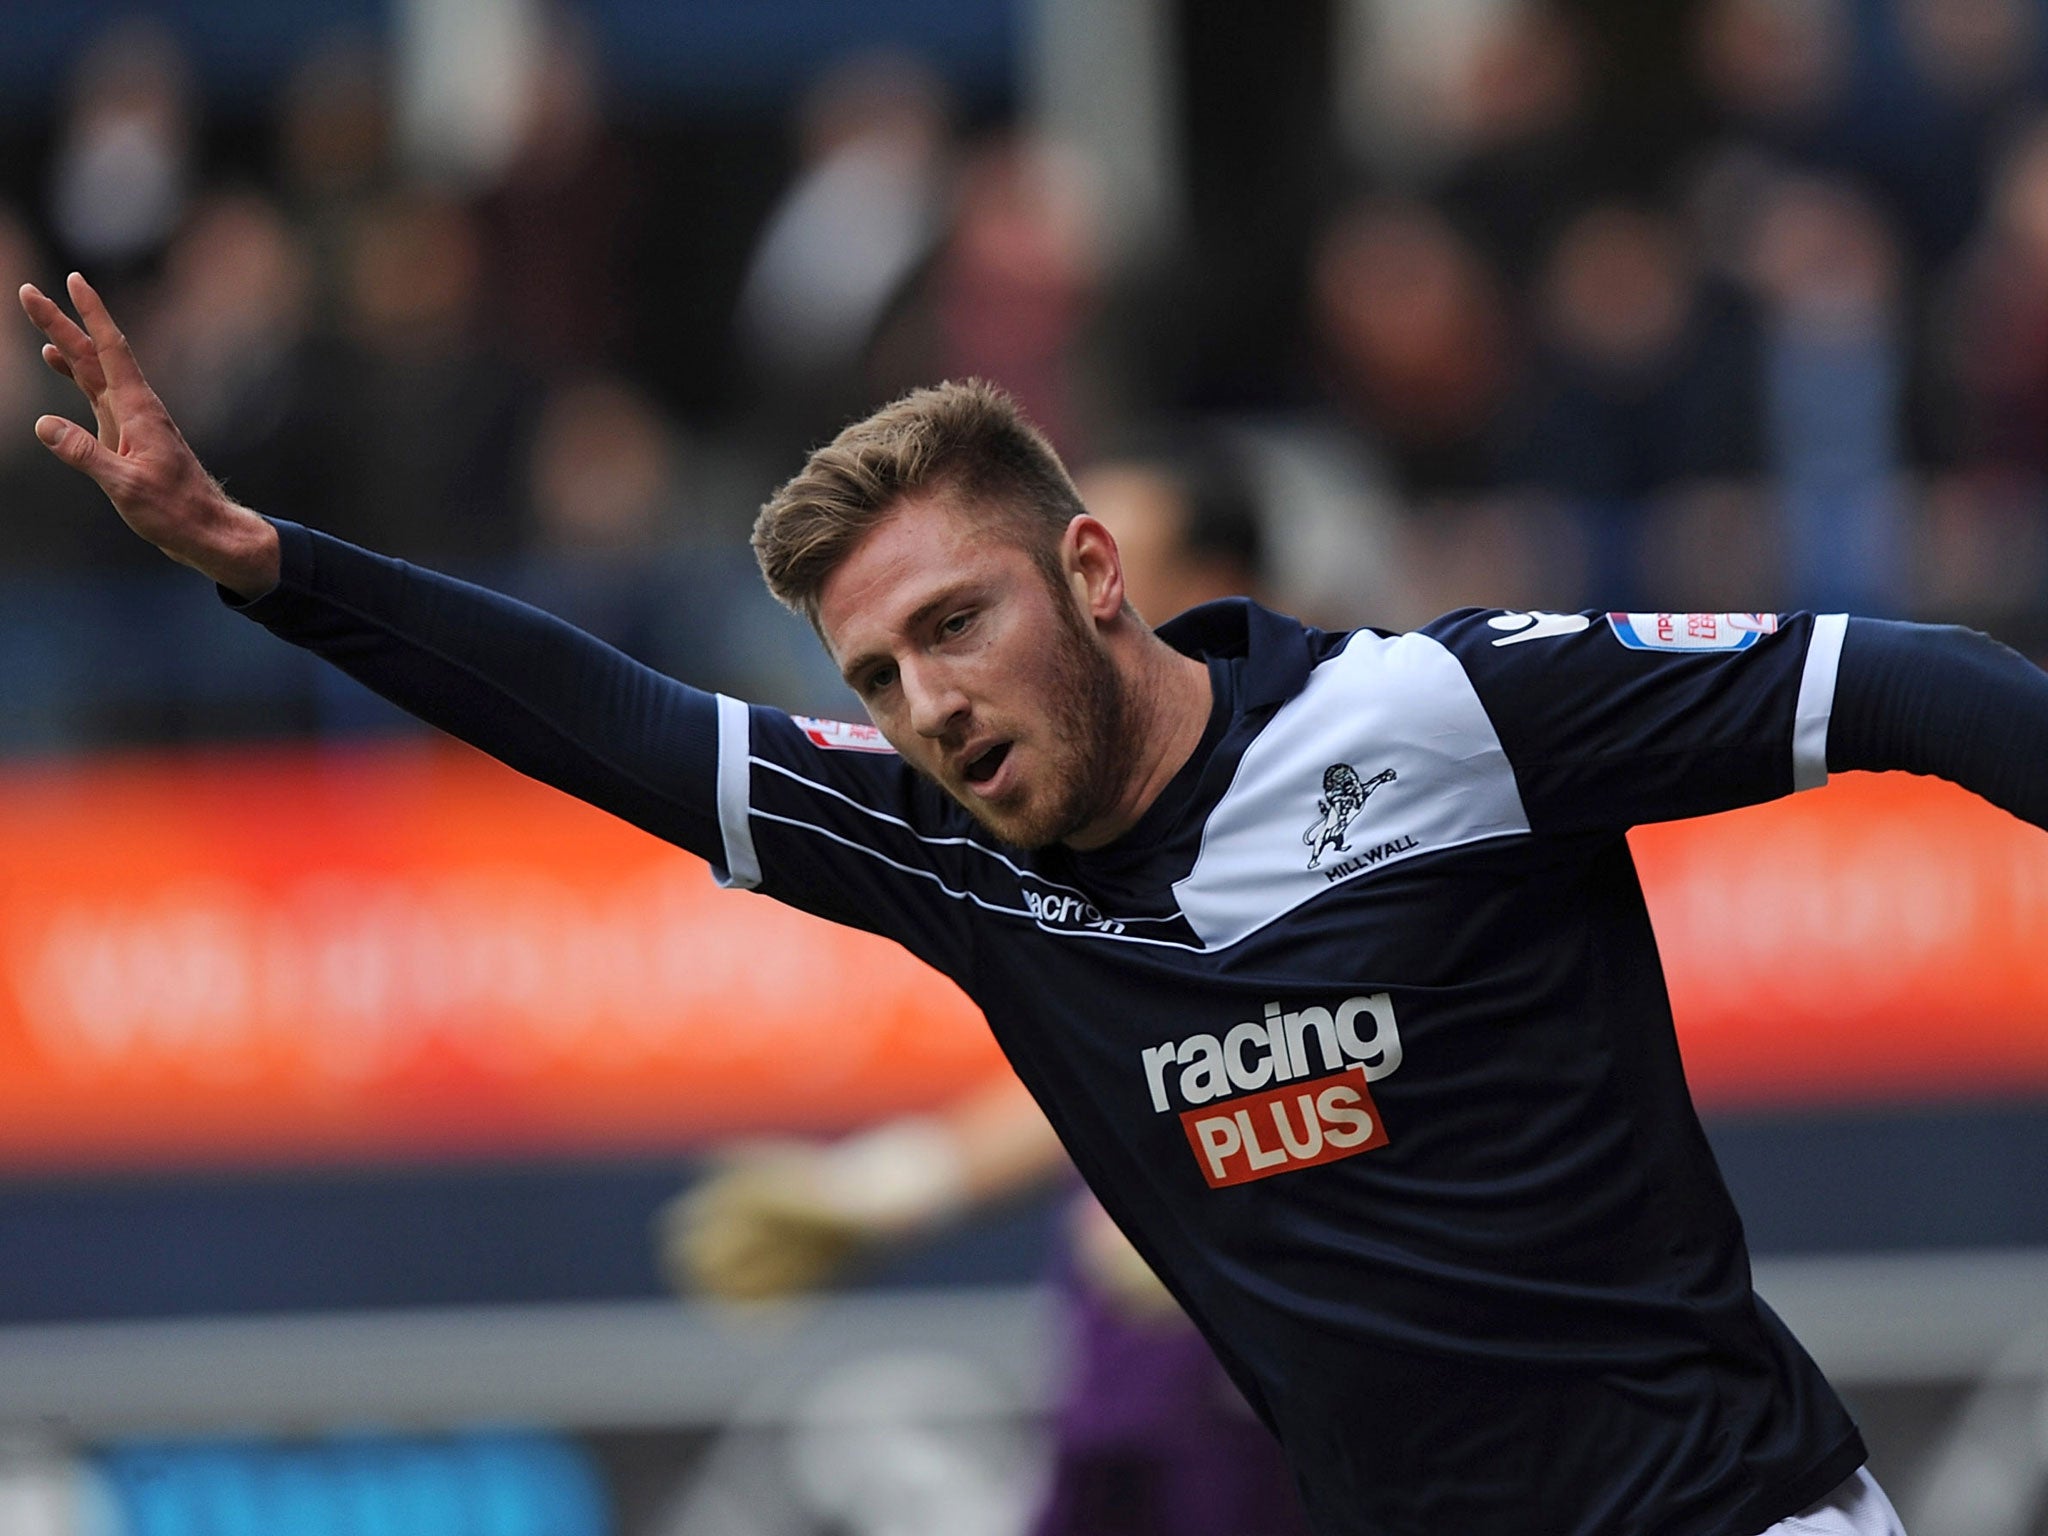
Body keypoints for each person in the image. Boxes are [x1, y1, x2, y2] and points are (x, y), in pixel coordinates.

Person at [22, 271, 2048, 1535]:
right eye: (875, 677)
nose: (925, 707)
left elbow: (1912, 684)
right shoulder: (949, 859)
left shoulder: (1446, 717)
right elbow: (609, 722)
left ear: (1093, 573)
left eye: (953, 627)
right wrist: (256, 555)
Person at [667, 453, 1314, 1536]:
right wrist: (883, 1188)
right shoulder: (1066, 811)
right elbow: (1136, 1058)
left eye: (1101, 566)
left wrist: (1252, 1207)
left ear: (1200, 583)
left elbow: (1324, 1046)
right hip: (1143, 1359)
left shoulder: (1346, 776)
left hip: (1303, 1376)